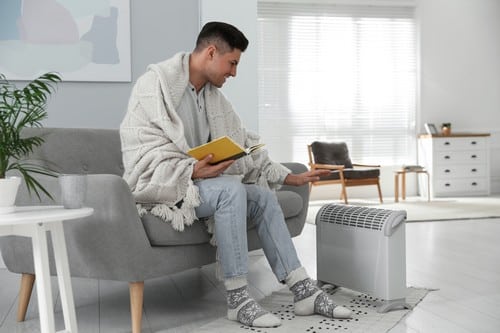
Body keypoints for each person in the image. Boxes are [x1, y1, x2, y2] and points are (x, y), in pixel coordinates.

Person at [120, 21, 352, 328]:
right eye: (232, 63)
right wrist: (190, 169)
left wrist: (288, 177)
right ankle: (238, 300)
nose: (233, 73)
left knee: (260, 196)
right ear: (212, 52)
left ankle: (303, 289)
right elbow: (142, 149)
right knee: (231, 190)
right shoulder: (154, 86)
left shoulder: (214, 99)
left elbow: (245, 143)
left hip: (204, 186)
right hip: (165, 187)